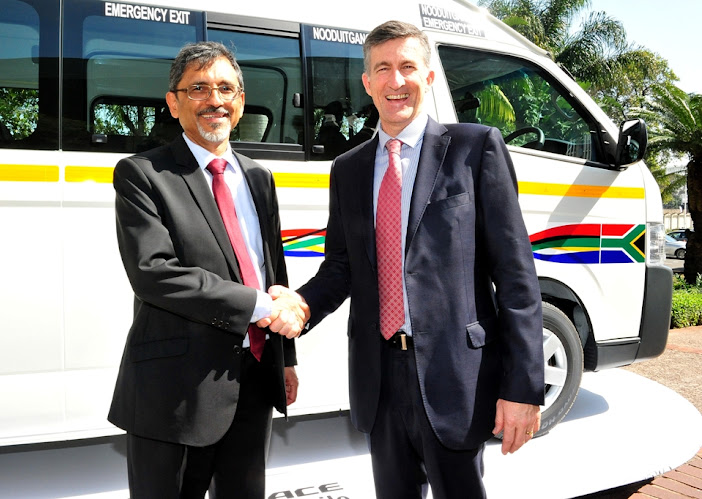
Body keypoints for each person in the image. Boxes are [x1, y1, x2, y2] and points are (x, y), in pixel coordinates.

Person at [266, 21, 544, 499]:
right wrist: (302, 306)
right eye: (383, 69)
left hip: (457, 374)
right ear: (367, 83)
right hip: (379, 376)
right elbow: (341, 268)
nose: (396, 81)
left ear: (429, 76)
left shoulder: (475, 148)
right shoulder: (349, 169)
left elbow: (516, 277)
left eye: (407, 67)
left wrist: (523, 387)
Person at [108, 41, 306, 498]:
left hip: (254, 380)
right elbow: (154, 272)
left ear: (240, 103)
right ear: (173, 103)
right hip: (173, 394)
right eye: (198, 88)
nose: (214, 99)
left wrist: (286, 360)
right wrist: (259, 308)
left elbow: (271, 266)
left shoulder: (259, 176)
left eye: (225, 88)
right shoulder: (142, 174)